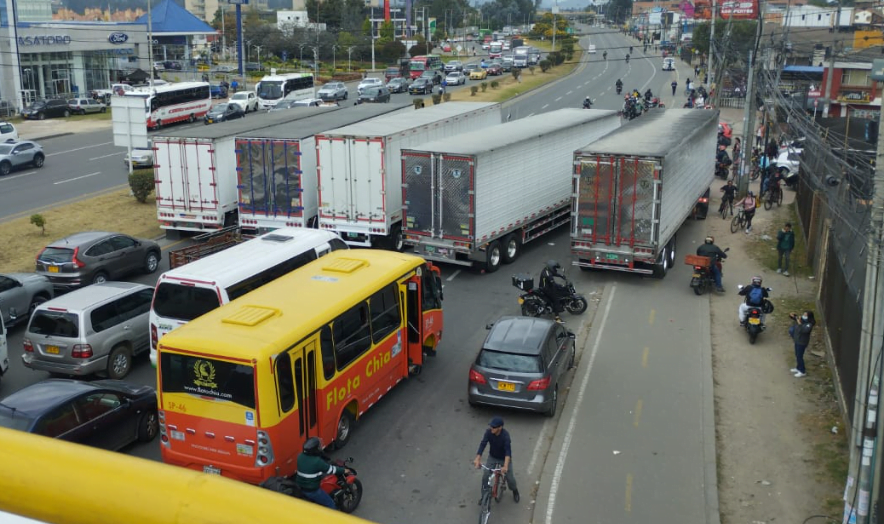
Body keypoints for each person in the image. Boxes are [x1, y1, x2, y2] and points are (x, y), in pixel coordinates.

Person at [473, 417, 520, 503]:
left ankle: (514, 490)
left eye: (494, 427)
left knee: (510, 478)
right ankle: (484, 496)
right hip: (493, 457)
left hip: (504, 458)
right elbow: (483, 444)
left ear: (500, 428)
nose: (491, 428)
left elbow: (508, 452)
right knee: (486, 475)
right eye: (491, 426)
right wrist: (477, 458)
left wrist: (505, 466)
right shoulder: (488, 432)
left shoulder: (505, 436)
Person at [295, 437, 345, 509]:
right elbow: (331, 470)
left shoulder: (300, 456)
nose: (319, 447)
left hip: (300, 486)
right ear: (314, 450)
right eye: (318, 447)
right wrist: (343, 470)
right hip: (312, 490)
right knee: (331, 505)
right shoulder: (317, 462)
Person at [789, 311, 815, 378]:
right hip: (797, 340)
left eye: (805, 315)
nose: (803, 316)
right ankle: (798, 368)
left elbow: (804, 330)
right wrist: (792, 315)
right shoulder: (802, 320)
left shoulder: (809, 324)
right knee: (797, 355)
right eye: (804, 314)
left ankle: (802, 371)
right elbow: (795, 318)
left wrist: (799, 323)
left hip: (802, 342)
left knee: (799, 356)